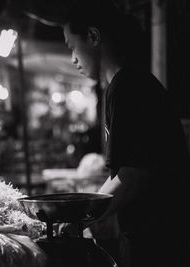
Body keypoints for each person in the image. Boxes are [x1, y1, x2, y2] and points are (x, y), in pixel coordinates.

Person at [57, 0, 190, 266]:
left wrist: (80, 217)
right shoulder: (125, 84)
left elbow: (131, 178)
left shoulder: (128, 87)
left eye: (72, 47)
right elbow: (124, 173)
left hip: (159, 241)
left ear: (93, 36)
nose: (72, 58)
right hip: (152, 235)